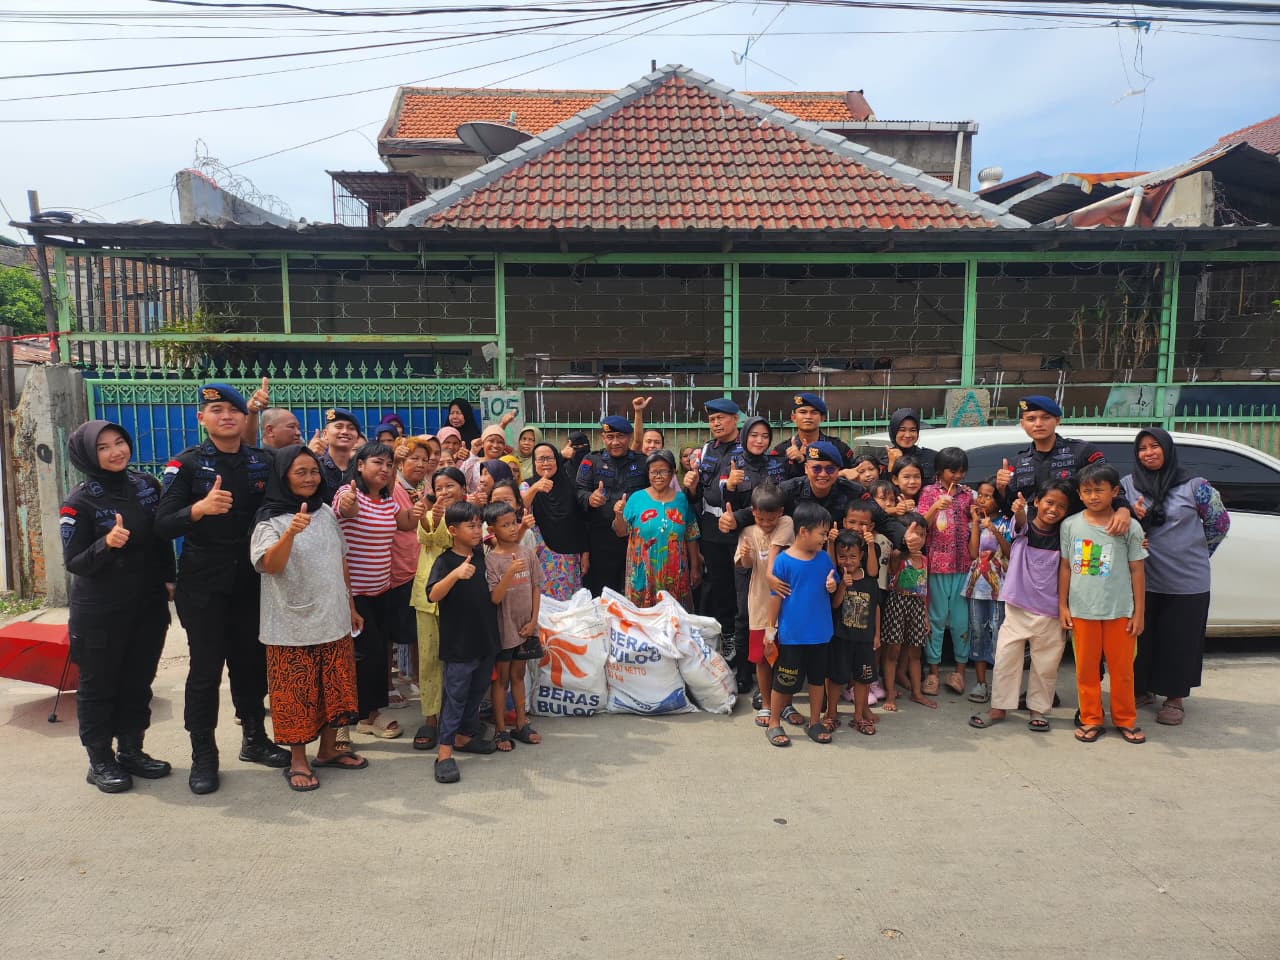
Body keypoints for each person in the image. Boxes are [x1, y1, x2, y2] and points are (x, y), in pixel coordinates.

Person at [156, 383, 290, 794]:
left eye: (233, 409)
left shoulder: (262, 461)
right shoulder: (188, 466)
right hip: (204, 583)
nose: (226, 416)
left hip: (252, 581)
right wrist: (198, 509)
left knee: (251, 665)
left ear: (245, 417)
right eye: (216, 409)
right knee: (204, 672)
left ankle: (254, 739)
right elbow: (161, 523)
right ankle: (204, 755)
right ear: (202, 418)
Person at [62, 420, 175, 793]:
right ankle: (99, 760)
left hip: (146, 605)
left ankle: (131, 751)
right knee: (98, 686)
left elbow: (161, 538)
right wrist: (106, 543)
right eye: (104, 447)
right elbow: (75, 561)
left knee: (137, 682)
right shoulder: (79, 501)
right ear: (88, 456)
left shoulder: (146, 486)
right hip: (101, 611)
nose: (116, 452)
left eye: (120, 442)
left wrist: (169, 578)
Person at [250, 445, 366, 791]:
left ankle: (335, 748)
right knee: (295, 696)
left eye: (314, 471)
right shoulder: (268, 519)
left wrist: (351, 604)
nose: (310, 478)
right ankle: (298, 760)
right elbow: (270, 565)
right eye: (300, 472)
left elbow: (341, 558)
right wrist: (290, 533)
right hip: (290, 625)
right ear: (283, 476)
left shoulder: (327, 512)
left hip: (333, 618)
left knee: (340, 690)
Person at [1121, 428, 1230, 727]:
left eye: (1155, 446)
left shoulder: (1196, 485)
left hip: (1187, 582)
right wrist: (1134, 518)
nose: (1148, 452)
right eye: (1142, 448)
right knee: (1140, 639)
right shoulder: (1128, 486)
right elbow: (1116, 520)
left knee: (1179, 641)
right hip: (1142, 578)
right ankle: (1142, 690)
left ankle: (1174, 698)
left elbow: (1219, 523)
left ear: (1167, 449)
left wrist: (1195, 552)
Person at [334, 441, 426, 741]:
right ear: (359, 465)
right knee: (357, 657)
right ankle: (350, 720)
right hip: (353, 595)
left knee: (375, 657)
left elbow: (404, 523)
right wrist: (347, 504)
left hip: (381, 590)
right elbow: (342, 510)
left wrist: (424, 508)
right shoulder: (349, 494)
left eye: (389, 465)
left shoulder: (386, 501)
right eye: (377, 463)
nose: (385, 469)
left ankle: (367, 714)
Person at [970, 480, 1071, 732]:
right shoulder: (1023, 530)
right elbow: (1021, 522)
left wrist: (1063, 607)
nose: (1053, 509)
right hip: (1017, 607)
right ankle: (999, 707)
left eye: (1061, 506)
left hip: (1050, 611)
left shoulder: (1064, 536)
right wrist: (1018, 509)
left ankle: (1038, 709)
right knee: (1005, 659)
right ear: (1037, 502)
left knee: (1045, 664)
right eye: (1049, 502)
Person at [1059, 462, 1149, 745]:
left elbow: (1137, 570)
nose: (1094, 496)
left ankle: (1125, 718)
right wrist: (1063, 606)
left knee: (1123, 670)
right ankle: (1091, 718)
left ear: (1115, 492)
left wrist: (1139, 613)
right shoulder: (1070, 525)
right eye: (1087, 491)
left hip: (1119, 611)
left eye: (1099, 490)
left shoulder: (1129, 526)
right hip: (1082, 610)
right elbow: (1064, 568)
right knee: (1085, 669)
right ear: (1080, 494)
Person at [427, 501, 501, 784]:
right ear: (452, 530)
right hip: (459, 645)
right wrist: (455, 576)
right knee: (455, 698)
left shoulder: (481, 556)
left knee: (476, 691)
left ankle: (463, 737)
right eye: (470, 526)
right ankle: (444, 754)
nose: (476, 530)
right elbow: (433, 594)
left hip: (485, 640)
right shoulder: (445, 561)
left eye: (478, 525)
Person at [763, 502, 839, 747]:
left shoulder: (825, 558)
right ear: (804, 531)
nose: (824, 538)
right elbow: (776, 599)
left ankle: (814, 721)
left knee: (818, 680)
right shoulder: (783, 562)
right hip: (793, 635)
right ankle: (774, 722)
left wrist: (832, 585)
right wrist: (769, 629)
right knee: (784, 680)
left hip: (821, 634)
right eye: (821, 533)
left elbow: (833, 581)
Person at [720, 415, 788, 688]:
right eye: (754, 435)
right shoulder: (733, 463)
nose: (759, 441)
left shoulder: (778, 465)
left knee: (772, 609)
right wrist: (731, 487)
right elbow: (725, 507)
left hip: (774, 543)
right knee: (743, 612)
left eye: (764, 436)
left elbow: (784, 503)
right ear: (744, 436)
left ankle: (773, 668)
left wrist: (741, 514)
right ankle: (744, 673)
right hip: (746, 545)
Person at [996, 395, 1131, 530]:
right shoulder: (1017, 462)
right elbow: (1011, 511)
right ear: (1023, 424)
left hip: (1077, 535)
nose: (1038, 424)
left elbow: (1111, 486)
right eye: (1031, 419)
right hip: (1035, 541)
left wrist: (1123, 509)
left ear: (1057, 420)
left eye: (1045, 417)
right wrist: (1001, 489)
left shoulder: (1081, 451)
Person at [410, 466, 466, 751]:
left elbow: (452, 541)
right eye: (439, 487)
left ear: (463, 489)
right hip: (427, 598)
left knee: (458, 661)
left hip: (460, 598)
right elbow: (428, 539)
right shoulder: (430, 515)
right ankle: (430, 719)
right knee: (430, 660)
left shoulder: (471, 514)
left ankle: (455, 719)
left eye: (450, 486)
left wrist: (444, 520)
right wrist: (435, 518)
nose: (444, 492)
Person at [682, 398, 742, 655]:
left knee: (741, 588)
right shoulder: (706, 450)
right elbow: (698, 496)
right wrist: (692, 488)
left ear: (735, 419)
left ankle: (741, 641)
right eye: (712, 419)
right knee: (717, 586)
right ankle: (723, 637)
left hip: (739, 526)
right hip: (711, 529)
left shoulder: (746, 447)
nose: (716, 423)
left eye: (721, 418)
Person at [484, 500, 544, 750]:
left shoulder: (527, 553)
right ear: (492, 530)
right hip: (504, 630)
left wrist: (533, 621)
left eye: (513, 523)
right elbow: (495, 597)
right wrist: (509, 572)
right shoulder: (491, 560)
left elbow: (536, 587)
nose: (511, 529)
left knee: (519, 675)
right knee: (501, 680)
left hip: (525, 628)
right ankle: (500, 729)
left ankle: (521, 722)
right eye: (505, 525)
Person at [733, 483, 794, 728]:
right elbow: (744, 565)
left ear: (780, 512)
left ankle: (785, 704)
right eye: (760, 518)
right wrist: (746, 553)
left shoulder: (787, 523)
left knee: (787, 658)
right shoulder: (747, 532)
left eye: (771, 518)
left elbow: (776, 549)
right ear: (752, 511)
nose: (766, 523)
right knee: (762, 658)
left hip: (787, 607)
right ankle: (767, 703)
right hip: (759, 605)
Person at [917, 448, 976, 697]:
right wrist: (934, 508)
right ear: (940, 471)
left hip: (963, 566)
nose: (958, 476)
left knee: (962, 621)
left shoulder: (968, 495)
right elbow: (919, 526)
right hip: (936, 566)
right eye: (953, 471)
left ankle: (959, 672)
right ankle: (933, 671)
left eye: (962, 471)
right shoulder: (929, 493)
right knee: (937, 620)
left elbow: (975, 525)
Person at [614, 449, 702, 608]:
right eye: (653, 472)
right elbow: (621, 532)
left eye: (663, 471)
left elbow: (691, 535)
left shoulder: (682, 500)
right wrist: (619, 515)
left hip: (675, 573)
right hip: (643, 573)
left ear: (673, 473)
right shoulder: (636, 498)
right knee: (643, 621)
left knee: (673, 620)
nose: (658, 476)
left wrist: (695, 567)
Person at [576, 415, 646, 595]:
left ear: (629, 437)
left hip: (634, 539)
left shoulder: (642, 462)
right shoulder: (591, 461)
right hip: (601, 539)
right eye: (610, 437)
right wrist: (590, 498)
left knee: (635, 590)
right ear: (603, 438)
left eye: (620, 436)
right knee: (603, 592)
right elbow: (578, 490)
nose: (615, 442)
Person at [387, 436, 434, 706]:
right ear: (401, 461)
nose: (420, 464)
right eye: (413, 458)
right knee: (391, 633)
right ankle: (388, 685)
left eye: (424, 460)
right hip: (397, 568)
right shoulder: (394, 487)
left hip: (417, 567)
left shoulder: (421, 487)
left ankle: (417, 677)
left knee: (418, 629)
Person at [963, 477, 1012, 704]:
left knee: (998, 634)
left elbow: (1010, 553)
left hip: (1000, 588)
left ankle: (1001, 684)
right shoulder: (973, 522)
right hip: (976, 587)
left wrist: (994, 529)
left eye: (988, 496)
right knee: (978, 632)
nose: (982, 499)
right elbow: (973, 553)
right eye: (980, 494)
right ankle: (981, 683)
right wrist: (975, 523)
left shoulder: (1006, 521)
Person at [827, 530, 881, 736]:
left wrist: (876, 634)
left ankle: (858, 716)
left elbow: (876, 607)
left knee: (863, 678)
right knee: (836, 678)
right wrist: (842, 585)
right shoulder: (836, 577)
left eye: (852, 557)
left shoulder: (870, 581)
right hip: (841, 638)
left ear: (861, 557)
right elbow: (835, 604)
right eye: (842, 556)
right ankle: (831, 713)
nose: (847, 561)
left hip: (864, 640)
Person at [522, 440, 589, 600]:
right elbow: (519, 508)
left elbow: (581, 521)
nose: (546, 463)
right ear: (534, 462)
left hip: (568, 558)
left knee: (567, 608)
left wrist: (585, 553)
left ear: (558, 460)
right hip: (539, 556)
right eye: (541, 459)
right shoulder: (527, 486)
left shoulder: (570, 485)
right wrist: (535, 488)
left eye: (550, 458)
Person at [881, 516, 933, 712]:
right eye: (914, 534)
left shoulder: (925, 560)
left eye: (922, 534)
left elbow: (924, 590)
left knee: (915, 652)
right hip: (897, 603)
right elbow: (894, 564)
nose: (918, 538)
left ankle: (917, 693)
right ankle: (890, 693)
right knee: (892, 652)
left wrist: (925, 615)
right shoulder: (897, 556)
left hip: (917, 606)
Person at [772, 393, 854, 480]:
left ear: (822, 418)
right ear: (794, 417)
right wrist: (798, 462)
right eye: (803, 412)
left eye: (814, 412)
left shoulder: (839, 448)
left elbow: (854, 474)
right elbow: (777, 486)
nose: (808, 417)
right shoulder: (782, 451)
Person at [879, 408, 937, 485]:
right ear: (893, 431)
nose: (907, 435)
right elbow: (884, 492)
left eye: (913, 430)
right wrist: (892, 464)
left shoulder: (931, 457)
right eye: (902, 430)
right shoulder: (883, 461)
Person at [316, 407, 362, 503]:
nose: (345, 432)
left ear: (357, 438)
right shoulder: (316, 467)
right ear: (325, 434)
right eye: (339, 426)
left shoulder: (362, 469)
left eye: (351, 428)